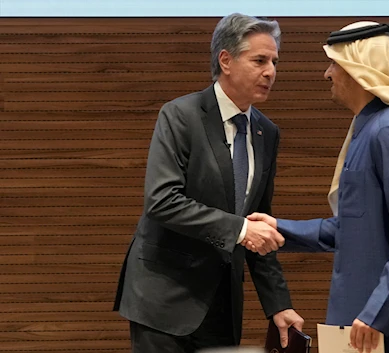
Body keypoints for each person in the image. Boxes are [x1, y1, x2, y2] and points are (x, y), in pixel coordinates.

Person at [247, 21, 389, 353]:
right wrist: (279, 229)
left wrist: (377, 313)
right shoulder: (371, 128)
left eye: (335, 64)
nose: (327, 74)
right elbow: (354, 229)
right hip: (368, 321)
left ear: (358, 70)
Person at [113, 13, 303, 353]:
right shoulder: (180, 115)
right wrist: (242, 231)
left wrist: (278, 303)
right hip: (164, 299)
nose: (271, 71)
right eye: (259, 60)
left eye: (274, 61)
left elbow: (259, 222)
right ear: (226, 60)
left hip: (221, 306)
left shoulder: (267, 132)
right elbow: (162, 201)